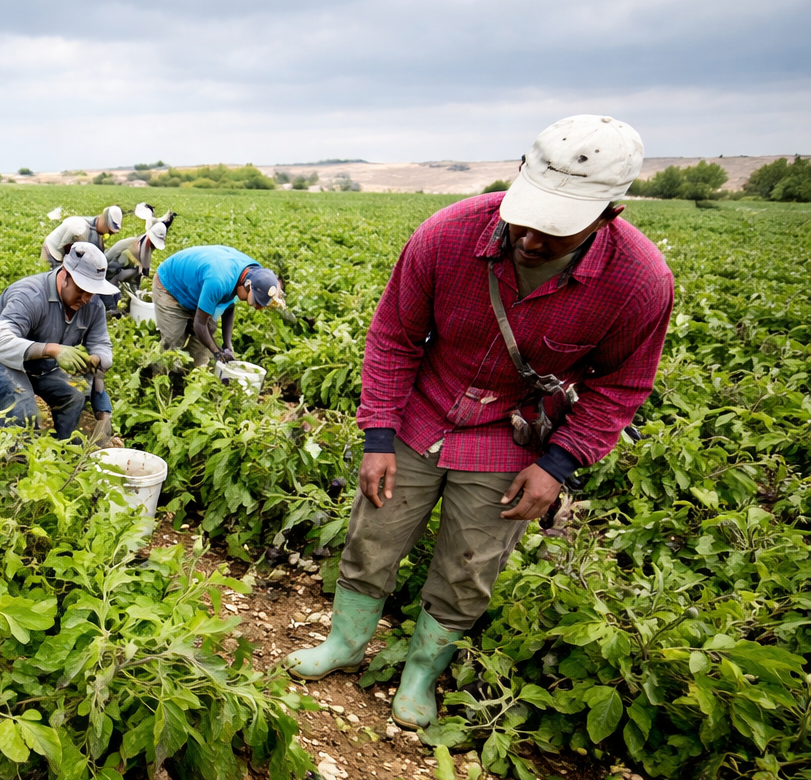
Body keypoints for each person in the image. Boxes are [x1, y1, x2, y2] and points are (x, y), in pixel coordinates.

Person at [283, 115, 672, 730]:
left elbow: (620, 385)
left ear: (608, 217)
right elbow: (394, 337)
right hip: (423, 411)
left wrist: (559, 463)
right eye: (527, 218)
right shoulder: (448, 234)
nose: (533, 240)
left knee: (470, 562)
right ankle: (346, 644)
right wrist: (378, 434)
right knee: (375, 532)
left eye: (558, 231)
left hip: (509, 434)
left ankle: (419, 675)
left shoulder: (639, 283)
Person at [0, 242, 118, 439]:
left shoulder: (93, 305)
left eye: (92, 291)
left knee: (74, 396)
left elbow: (101, 342)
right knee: (22, 405)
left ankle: (63, 451)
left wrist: (98, 359)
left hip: (40, 365)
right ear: (65, 274)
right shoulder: (29, 295)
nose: (86, 298)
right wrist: (53, 350)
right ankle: (8, 454)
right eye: (82, 289)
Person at [152, 245, 285, 367]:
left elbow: (229, 305)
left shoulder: (254, 274)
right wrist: (216, 351)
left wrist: (227, 345)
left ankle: (190, 376)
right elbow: (199, 323)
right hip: (171, 286)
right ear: (247, 285)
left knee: (206, 339)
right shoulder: (219, 281)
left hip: (198, 288)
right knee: (172, 341)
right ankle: (162, 379)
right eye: (255, 303)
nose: (255, 307)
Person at [42, 206, 123, 266]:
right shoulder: (82, 229)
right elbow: (70, 250)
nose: (108, 234)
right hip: (52, 252)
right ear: (103, 222)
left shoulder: (94, 227)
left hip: (62, 252)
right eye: (109, 232)